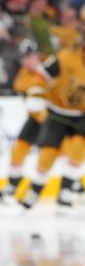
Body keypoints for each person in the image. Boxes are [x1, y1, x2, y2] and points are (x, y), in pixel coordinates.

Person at [14, 25, 85, 208]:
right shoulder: (66, 58)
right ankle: (35, 191)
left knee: (78, 151)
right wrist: (36, 94)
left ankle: (66, 191)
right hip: (56, 112)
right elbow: (43, 76)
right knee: (47, 153)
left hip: (83, 116)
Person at [0, 39, 47, 204]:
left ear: (37, 56)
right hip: (35, 119)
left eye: (29, 57)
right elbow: (20, 86)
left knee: (58, 155)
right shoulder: (23, 74)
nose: (26, 61)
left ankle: (77, 186)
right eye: (23, 58)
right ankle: (12, 185)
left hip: (52, 121)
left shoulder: (47, 71)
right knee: (19, 149)